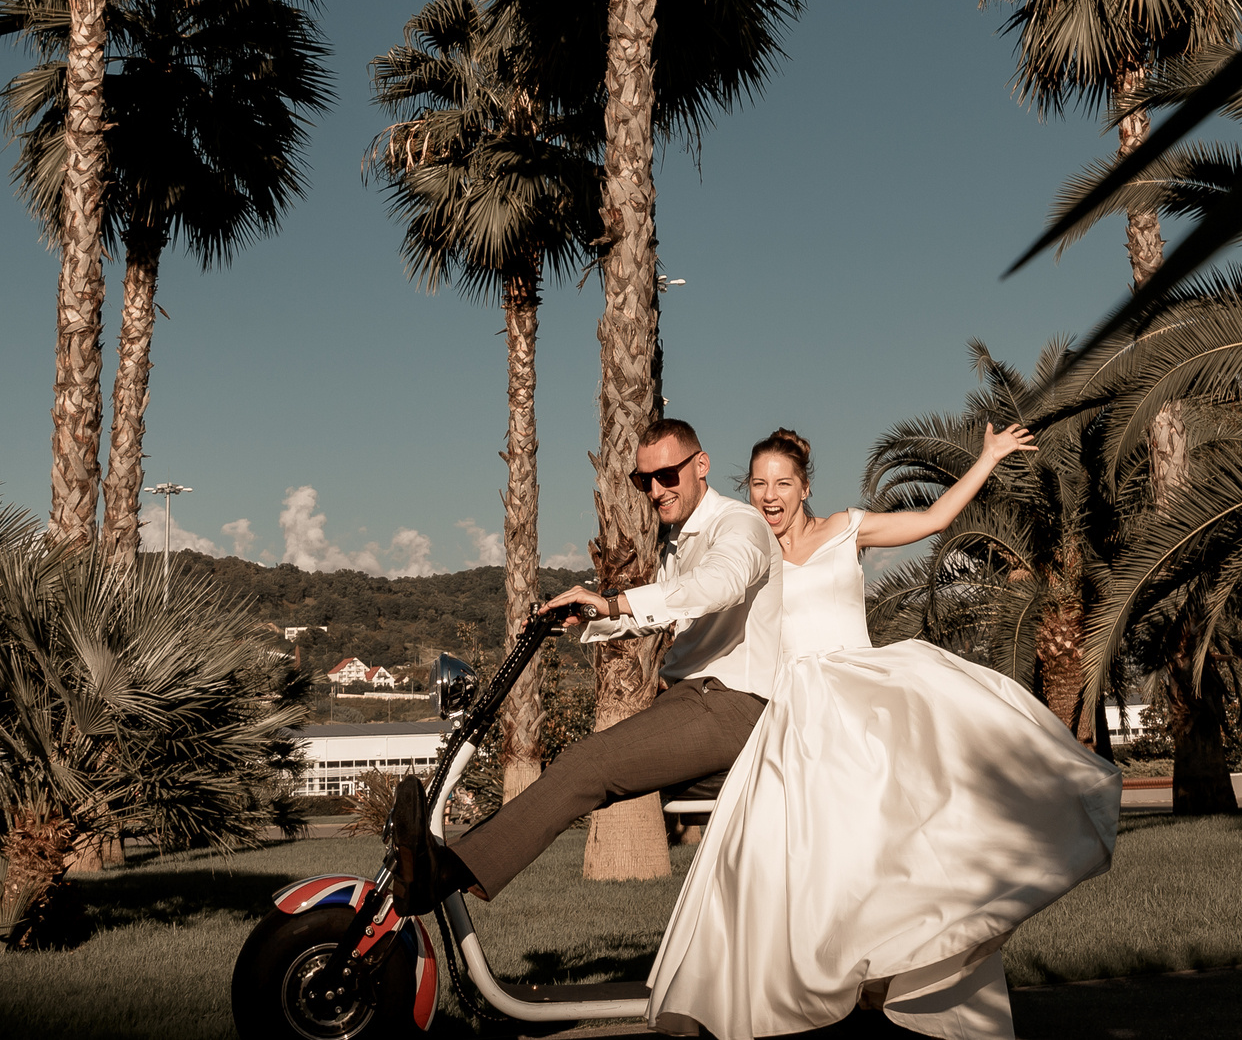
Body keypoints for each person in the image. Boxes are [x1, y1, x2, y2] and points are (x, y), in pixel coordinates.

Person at [647, 424, 1123, 1040]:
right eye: (759, 484)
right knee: (792, 858)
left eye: (782, 483)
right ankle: (799, 988)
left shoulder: (847, 527)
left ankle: (906, 970)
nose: (770, 495)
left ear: (804, 487)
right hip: (792, 712)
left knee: (899, 843)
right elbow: (702, 620)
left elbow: (934, 517)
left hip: (862, 695)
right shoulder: (744, 551)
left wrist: (987, 457)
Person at [386, 415, 777, 912]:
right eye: (644, 480)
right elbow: (661, 612)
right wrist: (589, 616)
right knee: (582, 766)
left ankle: (449, 871)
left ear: (701, 465)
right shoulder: (680, 540)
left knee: (588, 763)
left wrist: (614, 603)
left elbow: (718, 586)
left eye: (667, 475)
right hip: (691, 701)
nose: (655, 490)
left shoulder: (739, 525)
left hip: (731, 703)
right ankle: (453, 858)